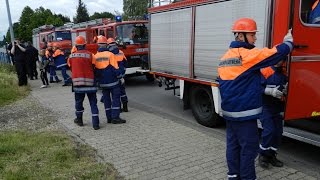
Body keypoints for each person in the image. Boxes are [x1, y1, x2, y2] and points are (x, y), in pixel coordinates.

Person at [217, 18, 294, 180]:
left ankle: (233, 176)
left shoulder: (225, 57)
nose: (255, 38)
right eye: (252, 35)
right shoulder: (247, 55)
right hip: (245, 114)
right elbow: (273, 54)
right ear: (240, 36)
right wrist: (288, 43)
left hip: (230, 113)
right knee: (249, 148)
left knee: (233, 146)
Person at [258, 61, 287, 168]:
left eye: (282, 58)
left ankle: (271, 156)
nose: (280, 61)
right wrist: (268, 91)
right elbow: (256, 87)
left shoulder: (285, 73)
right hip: (265, 107)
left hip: (278, 107)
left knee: (278, 133)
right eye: (278, 58)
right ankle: (263, 156)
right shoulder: (265, 71)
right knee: (269, 131)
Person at [68, 35, 100, 130]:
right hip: (90, 84)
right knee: (93, 103)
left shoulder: (71, 56)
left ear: (76, 46)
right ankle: (96, 124)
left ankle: (79, 120)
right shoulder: (90, 55)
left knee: (78, 103)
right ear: (85, 45)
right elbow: (95, 67)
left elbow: (70, 67)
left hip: (78, 85)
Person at [94, 35, 126, 124]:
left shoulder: (95, 56)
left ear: (98, 45)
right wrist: (121, 77)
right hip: (113, 82)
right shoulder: (111, 55)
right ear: (106, 45)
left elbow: (95, 71)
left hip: (103, 83)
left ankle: (109, 118)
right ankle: (115, 117)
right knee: (115, 99)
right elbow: (116, 69)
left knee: (106, 100)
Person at [107, 37, 129, 112]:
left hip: (115, 75)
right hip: (122, 74)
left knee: (116, 93)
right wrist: (123, 71)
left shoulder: (109, 54)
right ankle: (125, 106)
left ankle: (118, 108)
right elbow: (126, 62)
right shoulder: (121, 52)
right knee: (122, 91)